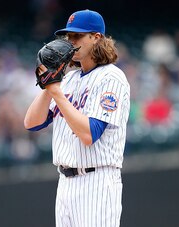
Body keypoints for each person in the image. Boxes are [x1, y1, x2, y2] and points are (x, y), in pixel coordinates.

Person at [24, 9, 130, 227]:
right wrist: (48, 85)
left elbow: (89, 134)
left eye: (77, 36)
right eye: (68, 36)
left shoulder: (111, 77)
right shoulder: (69, 79)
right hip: (65, 183)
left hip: (97, 182)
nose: (71, 42)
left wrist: (56, 91)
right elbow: (31, 123)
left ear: (96, 37)